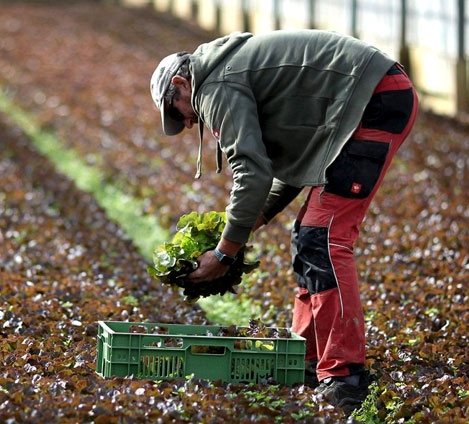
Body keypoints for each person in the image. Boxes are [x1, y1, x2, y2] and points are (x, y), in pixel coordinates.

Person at [149, 30, 418, 415]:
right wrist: (247, 224)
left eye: (177, 111)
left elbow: (252, 173)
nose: (187, 123)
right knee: (308, 237)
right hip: (371, 97)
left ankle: (345, 377)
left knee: (323, 238)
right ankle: (308, 360)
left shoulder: (213, 86)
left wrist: (224, 253)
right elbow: (291, 164)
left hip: (374, 99)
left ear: (181, 83)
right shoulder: (224, 73)